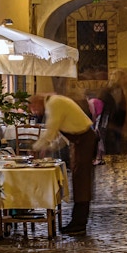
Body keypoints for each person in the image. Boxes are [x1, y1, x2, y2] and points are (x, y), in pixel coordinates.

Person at [29, 94, 99, 236]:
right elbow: (61, 135)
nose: (36, 112)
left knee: (82, 183)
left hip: (84, 142)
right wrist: (49, 147)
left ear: (38, 102)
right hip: (80, 142)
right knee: (79, 182)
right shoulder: (55, 103)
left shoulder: (54, 104)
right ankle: (77, 221)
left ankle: (79, 223)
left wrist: (36, 147)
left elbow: (51, 130)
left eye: (34, 108)